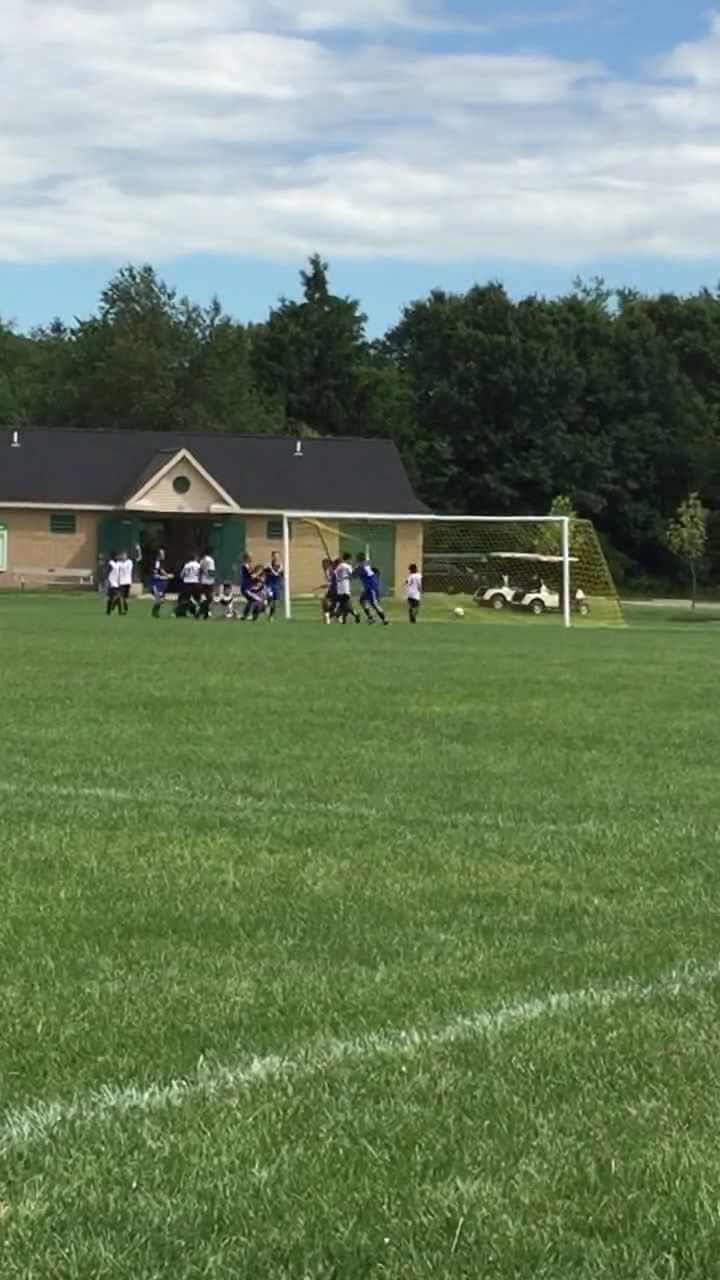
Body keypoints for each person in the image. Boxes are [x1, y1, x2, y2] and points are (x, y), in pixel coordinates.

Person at [355, 552, 389, 626]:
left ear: (358, 560)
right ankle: (371, 617)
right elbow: (376, 571)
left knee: (374, 604)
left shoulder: (361, 568)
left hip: (371, 588)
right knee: (362, 601)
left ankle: (385, 620)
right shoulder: (366, 566)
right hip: (368, 588)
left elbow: (353, 575)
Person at [334, 552, 360, 625]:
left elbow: (336, 575)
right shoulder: (348, 566)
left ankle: (343, 618)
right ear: (348, 559)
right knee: (345, 604)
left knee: (344, 604)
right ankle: (355, 614)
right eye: (350, 559)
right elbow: (352, 575)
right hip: (345, 587)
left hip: (340, 588)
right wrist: (356, 569)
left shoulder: (339, 566)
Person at [175, 553, 201, 618]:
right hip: (195, 582)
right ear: (196, 558)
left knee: (184, 599)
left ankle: (181, 612)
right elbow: (200, 574)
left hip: (187, 582)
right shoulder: (198, 565)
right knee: (197, 599)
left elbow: (182, 575)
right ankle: (197, 612)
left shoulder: (187, 565)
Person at [149, 547, 171, 618]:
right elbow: (155, 575)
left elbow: (161, 570)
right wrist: (165, 577)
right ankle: (153, 613)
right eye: (162, 553)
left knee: (162, 599)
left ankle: (155, 613)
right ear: (158, 555)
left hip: (160, 583)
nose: (164, 555)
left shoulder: (160, 563)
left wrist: (167, 575)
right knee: (159, 598)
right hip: (155, 583)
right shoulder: (155, 563)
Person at [264, 552, 284, 620]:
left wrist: (271, 570)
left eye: (277, 556)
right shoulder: (268, 564)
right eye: (274, 556)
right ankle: (267, 606)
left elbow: (277, 574)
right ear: (272, 556)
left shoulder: (280, 566)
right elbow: (265, 573)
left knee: (275, 603)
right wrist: (268, 569)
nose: (276, 557)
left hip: (277, 585)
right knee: (270, 595)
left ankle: (271, 616)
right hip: (269, 584)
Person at [240, 552, 259, 621]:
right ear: (246, 558)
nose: (251, 558)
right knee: (257, 600)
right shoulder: (245, 566)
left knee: (251, 601)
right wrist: (258, 573)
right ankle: (254, 616)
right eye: (250, 557)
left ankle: (245, 616)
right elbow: (251, 576)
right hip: (246, 588)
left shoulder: (248, 566)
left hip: (248, 588)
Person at [198, 547, 216, 620]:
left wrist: (200, 579)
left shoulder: (202, 560)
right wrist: (214, 577)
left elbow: (200, 571)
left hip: (203, 581)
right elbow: (211, 571)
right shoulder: (210, 560)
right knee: (210, 599)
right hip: (209, 581)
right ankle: (200, 612)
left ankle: (205, 614)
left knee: (208, 598)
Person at [117, 550, 133, 615]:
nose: (124, 557)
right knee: (121, 597)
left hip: (127, 582)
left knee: (125, 598)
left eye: (125, 555)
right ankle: (121, 610)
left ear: (127, 556)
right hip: (121, 582)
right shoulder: (119, 563)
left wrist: (131, 582)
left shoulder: (129, 562)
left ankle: (125, 610)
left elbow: (129, 571)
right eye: (123, 555)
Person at [322, 558, 337, 625]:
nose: (322, 565)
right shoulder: (327, 571)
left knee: (325, 602)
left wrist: (325, 585)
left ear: (327, 564)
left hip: (334, 589)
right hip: (332, 589)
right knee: (326, 602)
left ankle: (329, 617)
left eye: (324, 564)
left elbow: (332, 581)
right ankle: (330, 617)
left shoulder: (329, 571)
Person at [105, 552, 121, 616]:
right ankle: (109, 611)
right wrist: (107, 581)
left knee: (117, 597)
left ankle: (113, 610)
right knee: (112, 597)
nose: (117, 557)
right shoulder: (111, 563)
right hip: (111, 582)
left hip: (116, 583)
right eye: (116, 556)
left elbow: (119, 573)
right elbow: (107, 572)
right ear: (113, 557)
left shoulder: (118, 564)